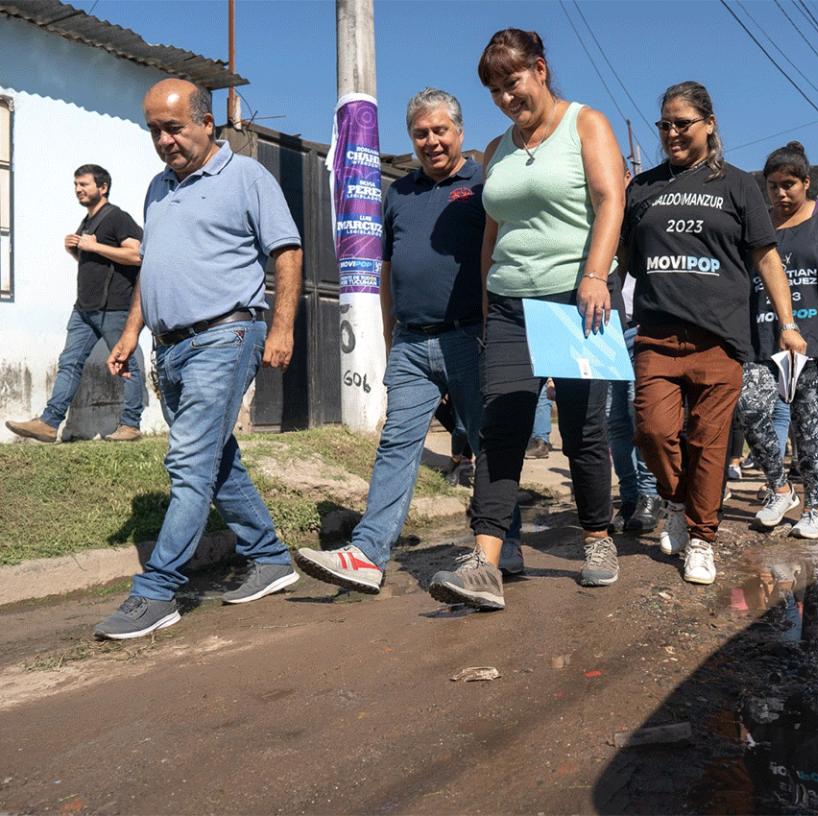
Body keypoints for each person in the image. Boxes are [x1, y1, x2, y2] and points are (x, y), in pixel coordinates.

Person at [94, 79, 302, 639]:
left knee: (187, 462)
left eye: (174, 128)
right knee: (217, 459)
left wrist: (281, 328)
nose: (164, 141)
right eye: (154, 131)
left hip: (225, 336)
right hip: (171, 348)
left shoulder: (247, 177)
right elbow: (152, 270)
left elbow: (286, 251)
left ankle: (157, 589)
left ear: (207, 124)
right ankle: (270, 556)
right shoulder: (157, 189)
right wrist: (130, 332)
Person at [426, 29, 626, 610]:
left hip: (576, 296)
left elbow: (609, 199)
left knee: (584, 427)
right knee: (503, 424)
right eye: (494, 90)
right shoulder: (498, 149)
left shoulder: (586, 124)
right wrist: (490, 301)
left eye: (511, 83)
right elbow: (494, 227)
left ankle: (596, 538)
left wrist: (595, 274)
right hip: (512, 301)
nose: (506, 98)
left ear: (539, 69)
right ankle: (484, 562)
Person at [294, 88, 521, 593]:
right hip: (412, 346)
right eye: (421, 133)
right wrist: (391, 331)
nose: (432, 141)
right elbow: (388, 268)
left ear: (459, 132)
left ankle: (505, 546)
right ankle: (368, 554)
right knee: (397, 445)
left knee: (491, 447)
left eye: (441, 130)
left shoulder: (484, 184)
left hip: (472, 338)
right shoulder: (399, 193)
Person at [625, 82, 805, 583]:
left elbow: (765, 258)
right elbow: (623, 259)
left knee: (709, 442)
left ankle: (702, 538)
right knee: (653, 431)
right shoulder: (642, 187)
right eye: (665, 124)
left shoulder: (739, 185)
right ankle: (676, 503)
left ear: (709, 124)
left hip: (720, 338)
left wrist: (788, 324)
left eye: (683, 123)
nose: (673, 133)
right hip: (656, 334)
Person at [738, 141, 818, 536]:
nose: (780, 193)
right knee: (751, 410)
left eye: (788, 184)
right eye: (772, 186)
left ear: (807, 182)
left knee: (807, 423)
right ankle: (780, 487)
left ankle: (814, 509)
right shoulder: (759, 224)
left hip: (815, 339)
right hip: (763, 336)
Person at [5, 165, 145, 444]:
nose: (78, 189)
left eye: (84, 184)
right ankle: (49, 423)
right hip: (84, 309)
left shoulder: (117, 217)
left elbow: (137, 256)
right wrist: (76, 252)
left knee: (126, 363)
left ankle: (130, 424)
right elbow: (100, 264)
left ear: (102, 187)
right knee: (69, 363)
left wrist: (93, 247)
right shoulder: (88, 221)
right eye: (76, 185)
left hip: (115, 308)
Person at [608, 272, 663, 534]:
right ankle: (628, 497)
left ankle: (649, 495)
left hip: (641, 329)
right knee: (614, 421)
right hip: (605, 330)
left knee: (638, 416)